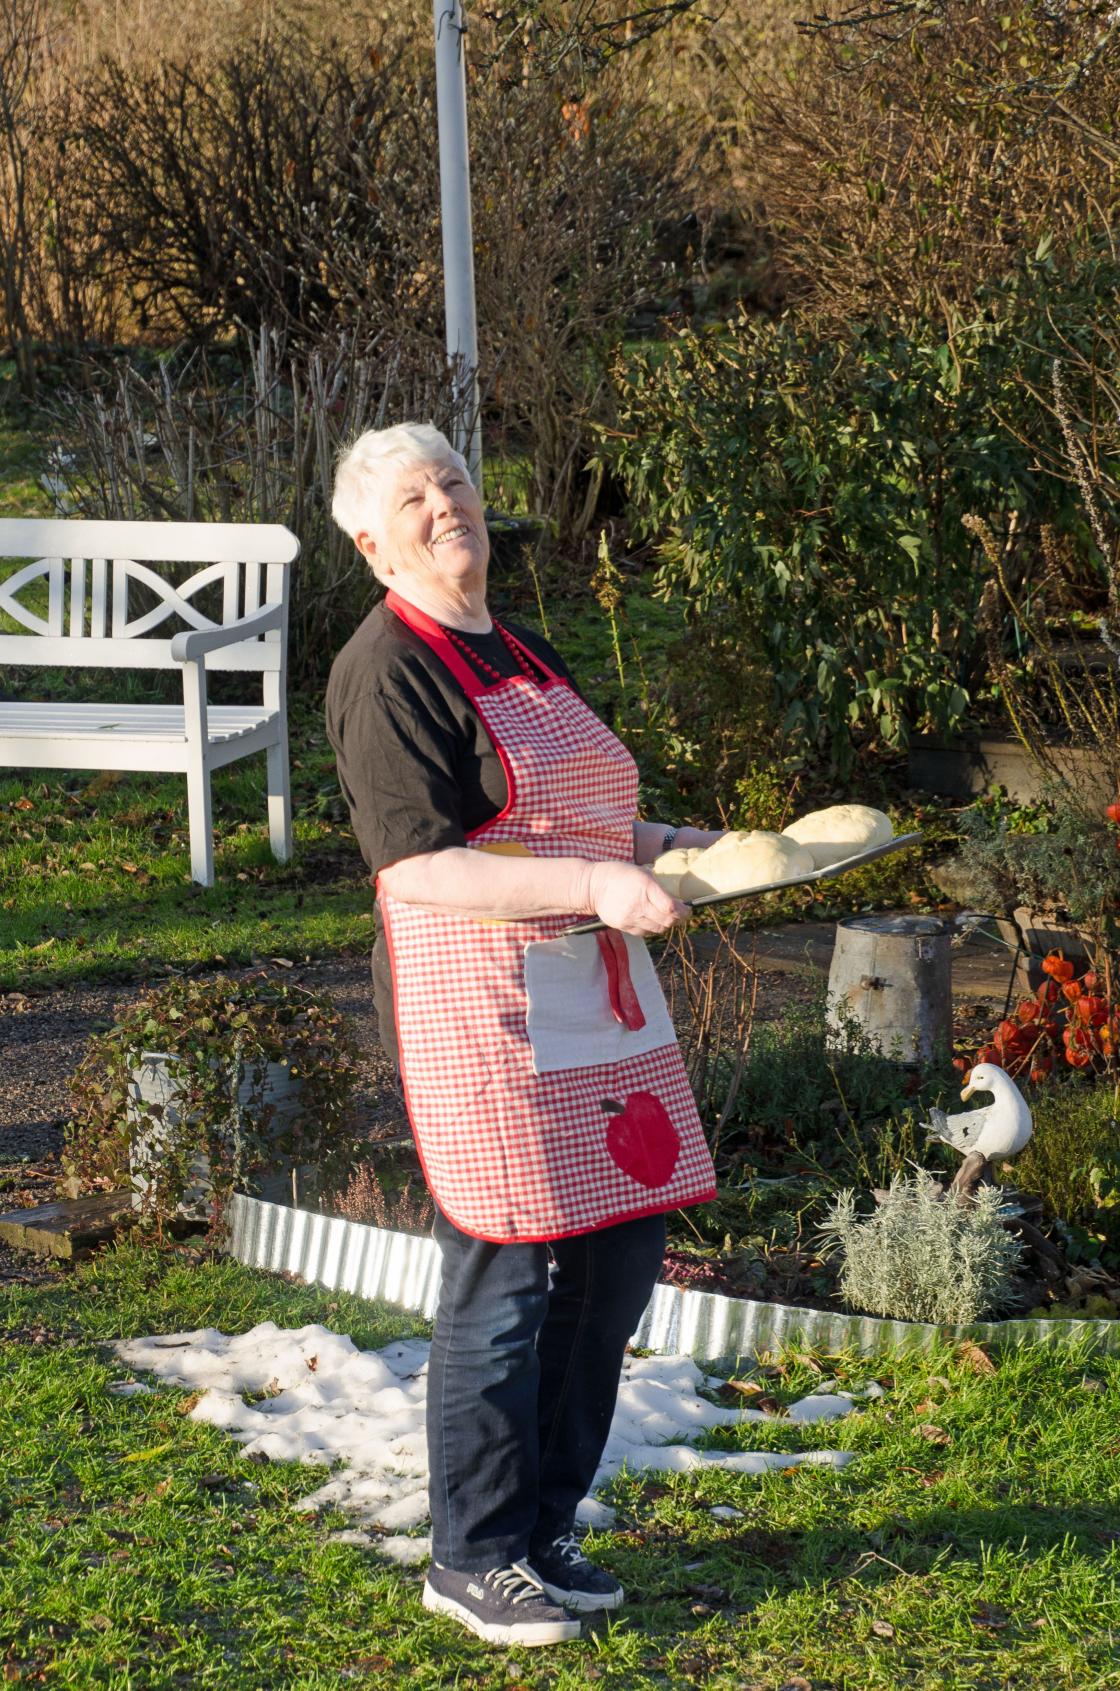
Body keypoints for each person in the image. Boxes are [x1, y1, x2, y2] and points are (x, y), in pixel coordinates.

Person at [326, 422, 722, 1649]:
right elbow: (422, 864)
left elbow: (572, 810)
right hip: (482, 1013)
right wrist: (600, 888)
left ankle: (544, 1522)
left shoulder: (518, 647)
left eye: (454, 480)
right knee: (503, 1281)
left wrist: (664, 847)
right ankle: (473, 1551)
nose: (444, 503)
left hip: (586, 1004)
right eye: (412, 494)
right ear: (367, 539)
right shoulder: (386, 666)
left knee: (612, 1272)